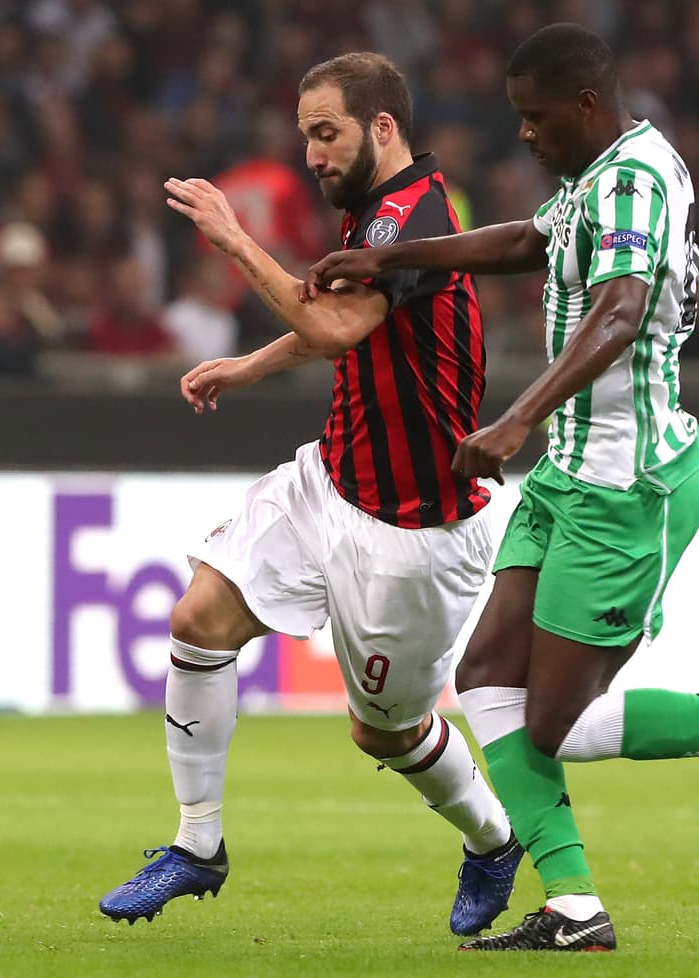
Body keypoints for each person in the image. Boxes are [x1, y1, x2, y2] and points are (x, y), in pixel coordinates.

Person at [305, 24, 699, 952]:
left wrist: (517, 416)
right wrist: (394, 259)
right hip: (569, 473)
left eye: (535, 119)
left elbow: (621, 309)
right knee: (486, 678)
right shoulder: (592, 176)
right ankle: (574, 908)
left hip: (629, 483)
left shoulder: (637, 181)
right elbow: (527, 243)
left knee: (554, 724)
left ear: (583, 105)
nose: (524, 136)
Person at [98, 52, 520, 938]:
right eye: (305, 138)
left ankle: (492, 838)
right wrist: (251, 365)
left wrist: (232, 236)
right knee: (197, 620)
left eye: (327, 134)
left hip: (415, 529)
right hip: (330, 477)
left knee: (387, 736)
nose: (314, 155)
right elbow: (339, 321)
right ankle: (196, 845)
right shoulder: (374, 215)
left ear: (383, 128)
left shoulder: (419, 212)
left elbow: (332, 321)